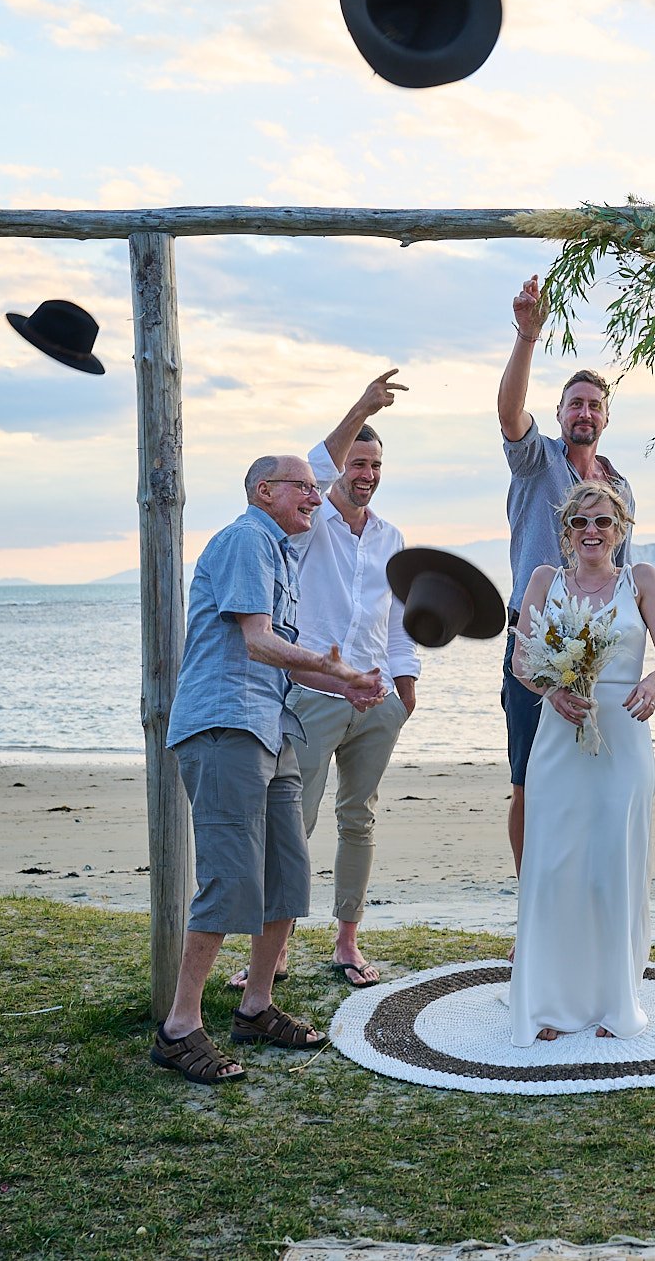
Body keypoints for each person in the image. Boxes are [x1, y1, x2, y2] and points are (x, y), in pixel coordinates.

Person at [150, 454, 384, 1086]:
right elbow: (254, 640)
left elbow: (281, 659)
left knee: (287, 870)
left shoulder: (281, 554)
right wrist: (334, 669)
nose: (317, 495)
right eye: (304, 487)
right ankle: (179, 1028)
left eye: (316, 488)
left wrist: (352, 684)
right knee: (230, 878)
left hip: (272, 724)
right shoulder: (247, 540)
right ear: (263, 491)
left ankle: (255, 1008)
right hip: (225, 726)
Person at [229, 370, 418, 994]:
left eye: (375, 465)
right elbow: (316, 461)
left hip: (377, 702)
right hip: (312, 696)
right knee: (293, 823)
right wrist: (361, 404)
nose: (366, 474)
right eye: (358, 463)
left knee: (358, 818)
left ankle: (346, 940)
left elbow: (395, 621)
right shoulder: (308, 528)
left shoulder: (390, 537)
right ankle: (271, 952)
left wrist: (405, 683)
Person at [506, 481, 655, 1044]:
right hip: (559, 738)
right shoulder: (543, 582)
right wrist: (553, 690)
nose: (591, 532)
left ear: (621, 528)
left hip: (624, 737)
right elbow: (521, 661)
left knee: (613, 866)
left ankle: (614, 1000)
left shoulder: (641, 580)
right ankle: (550, 1002)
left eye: (602, 522)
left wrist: (654, 681)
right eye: (581, 522)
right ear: (566, 531)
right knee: (555, 865)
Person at [498, 274, 635, 873]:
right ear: (558, 414)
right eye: (574, 403)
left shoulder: (620, 487)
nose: (584, 411)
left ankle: (583, 898)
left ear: (606, 417)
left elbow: (623, 577)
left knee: (594, 780)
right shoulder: (537, 461)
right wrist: (528, 336)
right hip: (537, 647)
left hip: (603, 659)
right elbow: (508, 412)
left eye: (594, 405)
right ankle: (533, 906)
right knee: (530, 779)